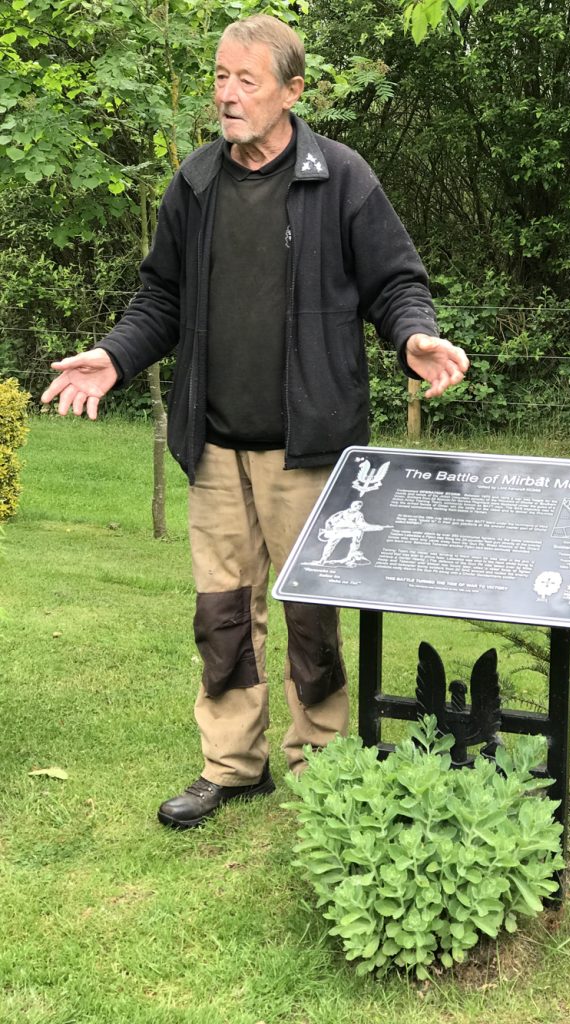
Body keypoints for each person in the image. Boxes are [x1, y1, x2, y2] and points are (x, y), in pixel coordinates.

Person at [41, 14, 468, 830]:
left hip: (308, 447)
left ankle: (323, 762)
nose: (227, 95)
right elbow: (159, 300)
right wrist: (114, 356)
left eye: (247, 80)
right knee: (222, 612)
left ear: (292, 91)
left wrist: (412, 333)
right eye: (220, 77)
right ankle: (232, 764)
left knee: (310, 611)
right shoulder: (195, 184)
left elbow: (394, 282)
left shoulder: (340, 178)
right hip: (213, 447)